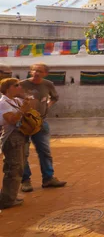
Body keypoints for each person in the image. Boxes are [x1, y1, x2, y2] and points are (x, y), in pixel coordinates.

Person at [20, 63, 66, 192]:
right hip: (24, 122)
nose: (37, 73)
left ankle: (48, 178)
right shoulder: (21, 85)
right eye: (34, 71)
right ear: (30, 72)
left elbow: (55, 97)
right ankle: (25, 180)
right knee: (23, 152)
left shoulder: (48, 84)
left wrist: (47, 106)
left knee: (44, 151)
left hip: (41, 121)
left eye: (40, 71)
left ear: (45, 73)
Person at [0, 78, 31, 209]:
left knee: (18, 167)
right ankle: (7, 200)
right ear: (8, 88)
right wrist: (22, 110)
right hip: (11, 138)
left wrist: (25, 99)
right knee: (13, 168)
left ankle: (10, 196)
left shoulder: (15, 101)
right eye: (16, 85)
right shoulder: (3, 103)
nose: (19, 87)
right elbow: (11, 120)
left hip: (20, 137)